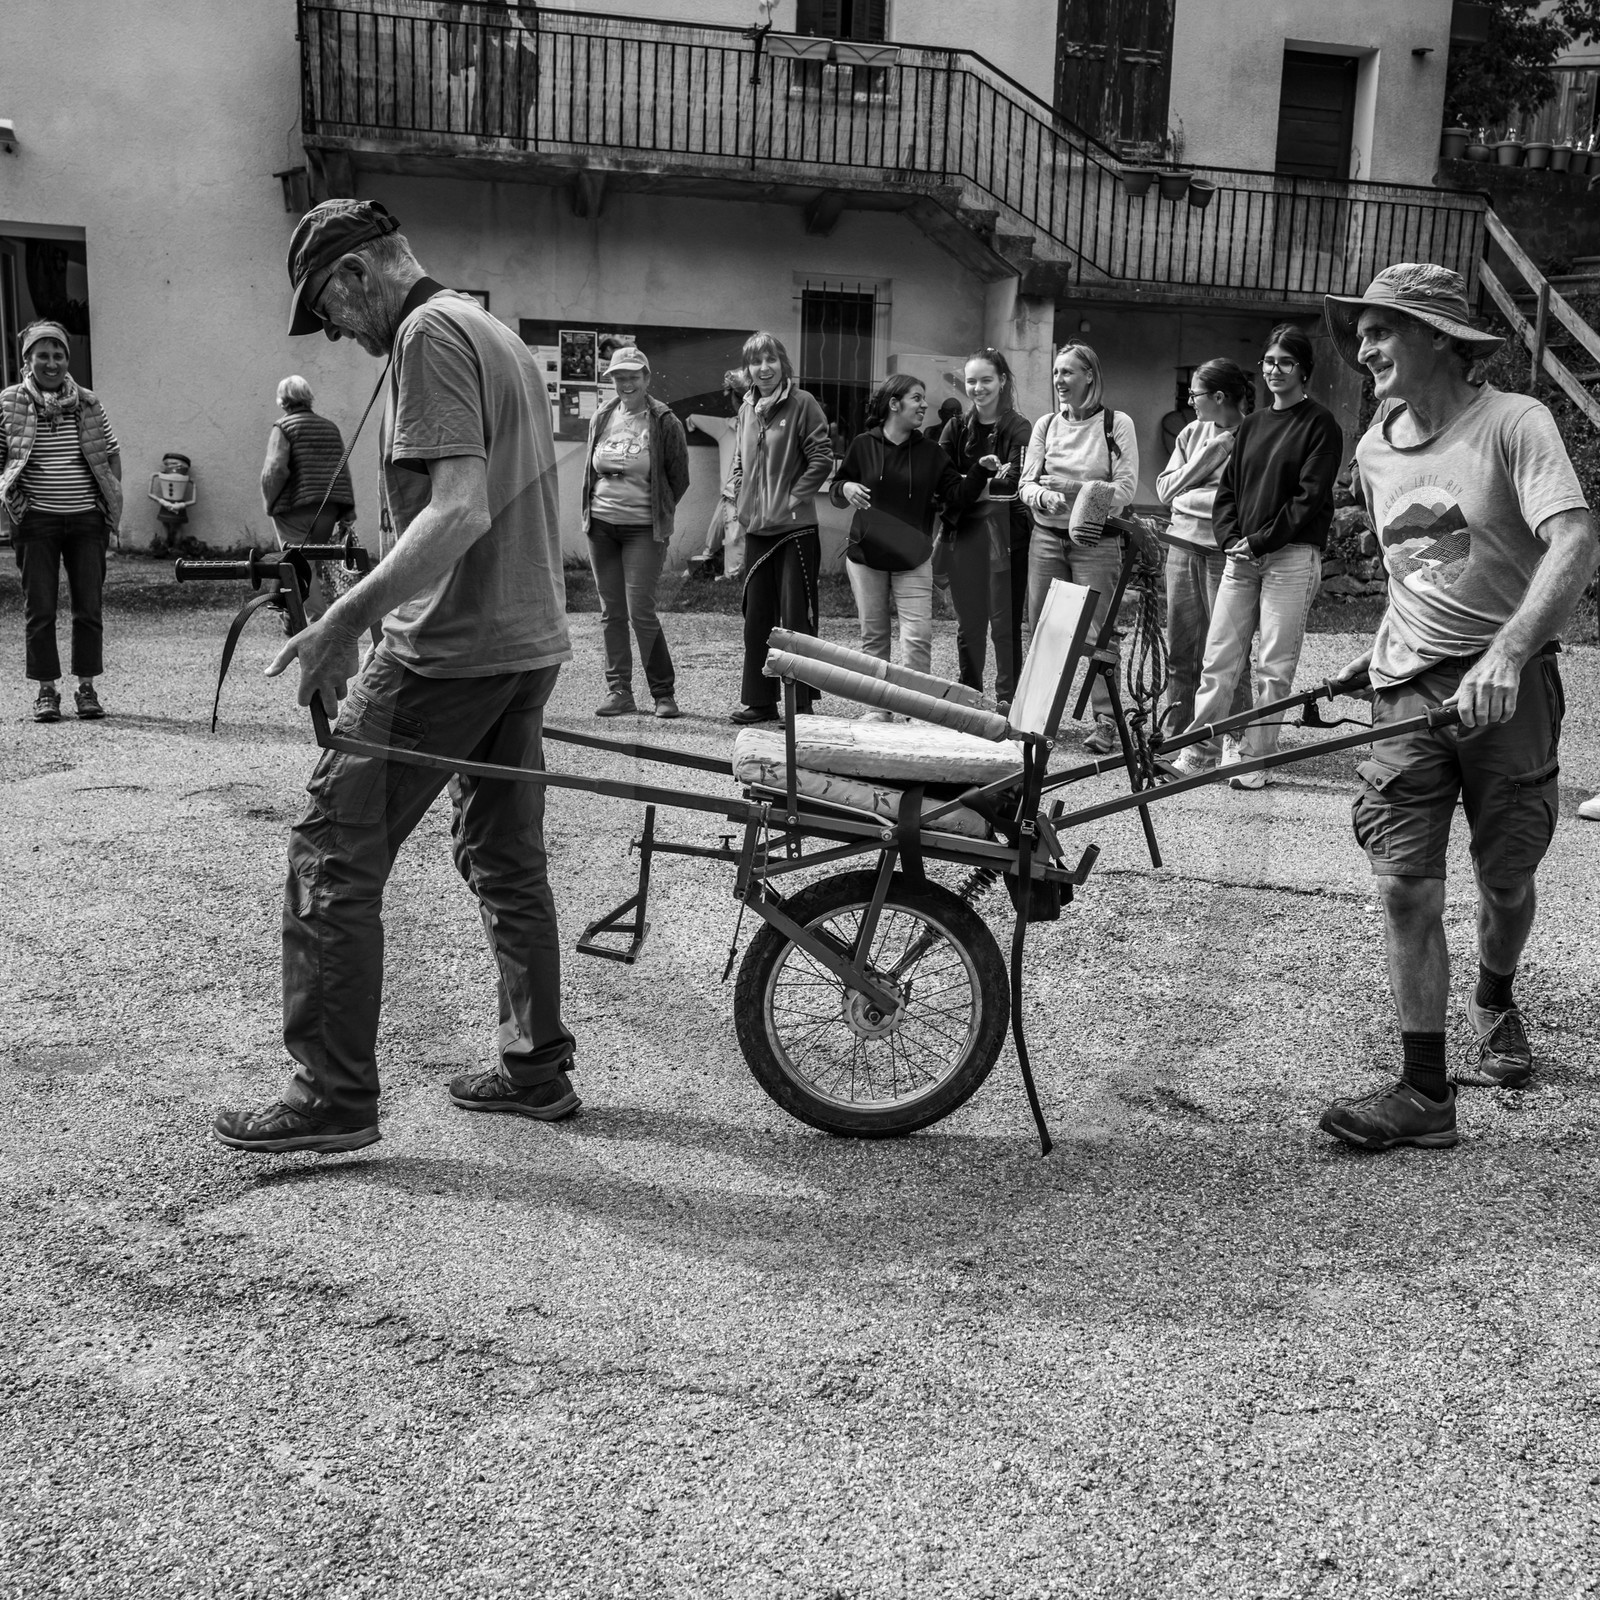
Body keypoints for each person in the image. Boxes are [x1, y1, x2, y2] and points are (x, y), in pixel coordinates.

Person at [213, 198, 577, 1154]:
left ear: (356, 273)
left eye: (327, 309)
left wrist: (341, 621)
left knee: (331, 854)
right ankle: (535, 1067)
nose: (334, 331)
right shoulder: (491, 329)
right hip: (525, 641)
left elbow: (457, 512)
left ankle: (331, 1096)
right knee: (505, 858)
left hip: (449, 651)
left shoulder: (426, 335)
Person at [1314, 262, 1598, 1152]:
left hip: (1507, 689)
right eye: (1361, 334)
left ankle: (1495, 995)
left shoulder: (1515, 422)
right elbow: (1418, 570)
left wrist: (1507, 652)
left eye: (1381, 331)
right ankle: (1425, 1092)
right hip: (1409, 693)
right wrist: (1382, 652)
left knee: (1506, 881)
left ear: (1438, 338)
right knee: (1405, 884)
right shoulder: (1374, 448)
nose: (1364, 349)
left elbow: (1575, 539)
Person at [1171, 325, 1341, 786]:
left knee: (1273, 666)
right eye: (1268, 361)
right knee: (1219, 659)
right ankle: (1200, 753)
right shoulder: (1252, 425)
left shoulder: (1320, 424)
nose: (1275, 370)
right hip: (1240, 557)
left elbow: (1309, 498)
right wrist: (1230, 538)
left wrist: (1262, 540)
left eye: (1285, 362)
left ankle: (1253, 759)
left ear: (1303, 369)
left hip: (1291, 556)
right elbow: (1227, 492)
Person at [832, 374, 991, 716]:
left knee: (917, 639)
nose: (923, 405)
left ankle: (915, 714)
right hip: (866, 558)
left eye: (923, 398)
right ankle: (877, 712)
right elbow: (837, 488)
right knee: (874, 639)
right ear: (894, 404)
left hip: (913, 559)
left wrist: (979, 471)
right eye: (916, 398)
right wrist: (845, 488)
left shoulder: (931, 453)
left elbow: (957, 495)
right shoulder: (863, 444)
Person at [1018, 342, 1139, 755]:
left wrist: (1070, 488)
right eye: (1056, 372)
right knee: (1044, 631)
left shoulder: (1116, 424)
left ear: (1090, 375)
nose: (1059, 380)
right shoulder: (1046, 424)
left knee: (1099, 634)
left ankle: (1106, 721)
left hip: (1097, 543)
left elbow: (1125, 490)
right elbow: (1026, 483)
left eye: (1067, 372)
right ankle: (1036, 721)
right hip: (1046, 539)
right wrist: (1042, 497)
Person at [0, 320, 123, 723]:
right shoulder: (10, 401)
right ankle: (46, 691)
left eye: (58, 355)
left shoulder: (88, 402)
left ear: (67, 359)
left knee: (89, 607)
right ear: (28, 360)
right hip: (35, 522)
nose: (51, 363)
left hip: (87, 521)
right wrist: (12, 501)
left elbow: (111, 453)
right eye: (43, 355)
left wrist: (107, 502)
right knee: (40, 609)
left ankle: (86, 688)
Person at [724, 331, 833, 725]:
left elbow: (822, 458)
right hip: (757, 529)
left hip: (795, 530)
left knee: (796, 620)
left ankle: (800, 706)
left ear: (783, 364)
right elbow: (740, 461)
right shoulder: (746, 409)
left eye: (771, 359)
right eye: (756, 362)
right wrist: (741, 496)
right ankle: (760, 701)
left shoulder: (803, 403)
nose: (764, 368)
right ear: (748, 369)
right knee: (757, 620)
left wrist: (792, 498)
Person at [580, 345, 690, 720]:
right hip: (601, 527)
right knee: (611, 612)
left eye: (632, 376)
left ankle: (663, 693)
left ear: (646, 378)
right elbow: (591, 470)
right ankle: (619, 692)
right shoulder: (602, 416)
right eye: (619, 377)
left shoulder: (664, 421)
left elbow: (679, 478)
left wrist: (655, 508)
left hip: (643, 529)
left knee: (640, 610)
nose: (626, 383)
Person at [1155, 358, 1253, 743]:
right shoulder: (1191, 433)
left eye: (1194, 393)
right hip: (1181, 548)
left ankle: (1236, 739)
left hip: (1224, 552)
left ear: (1219, 396)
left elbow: (1242, 503)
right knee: (1180, 651)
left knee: (1229, 653)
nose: (1189, 401)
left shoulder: (1254, 435)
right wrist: (1212, 453)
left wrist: (1189, 496)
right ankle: (1178, 737)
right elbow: (1165, 491)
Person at [937, 348, 1032, 709]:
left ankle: (1008, 704)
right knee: (969, 626)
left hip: (1008, 537)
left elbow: (1014, 486)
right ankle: (970, 700)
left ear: (1002, 381)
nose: (978, 388)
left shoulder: (1020, 427)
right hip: (963, 536)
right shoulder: (955, 427)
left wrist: (967, 484)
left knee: (1005, 627)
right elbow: (942, 488)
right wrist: (983, 482)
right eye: (971, 381)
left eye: (986, 380)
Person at [259, 375, 357, 622]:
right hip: (328, 510)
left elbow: (275, 470)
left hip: (294, 509)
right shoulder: (330, 427)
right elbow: (342, 469)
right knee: (311, 563)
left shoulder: (283, 427)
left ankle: (317, 623)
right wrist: (347, 509)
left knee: (300, 567)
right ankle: (290, 615)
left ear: (283, 400)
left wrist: (270, 502)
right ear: (308, 397)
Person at [687, 368, 750, 581]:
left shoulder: (758, 428)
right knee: (714, 536)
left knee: (735, 538)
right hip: (727, 496)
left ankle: (732, 575)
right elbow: (698, 419)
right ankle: (705, 565)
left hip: (743, 498)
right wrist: (691, 421)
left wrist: (692, 421)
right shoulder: (727, 427)